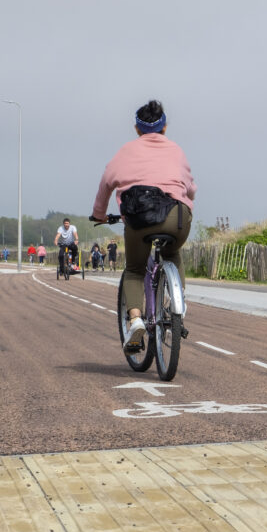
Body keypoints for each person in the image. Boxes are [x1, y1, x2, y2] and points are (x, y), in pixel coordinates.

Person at [91, 99, 196, 353]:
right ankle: (175, 304)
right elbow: (191, 188)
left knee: (135, 270)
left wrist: (99, 215)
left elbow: (106, 183)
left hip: (139, 218)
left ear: (137, 129)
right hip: (176, 216)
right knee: (173, 252)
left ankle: (136, 319)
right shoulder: (177, 150)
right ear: (165, 127)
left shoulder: (126, 151)